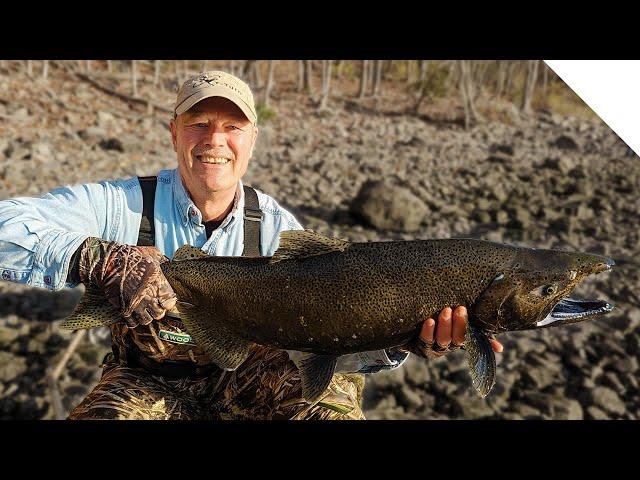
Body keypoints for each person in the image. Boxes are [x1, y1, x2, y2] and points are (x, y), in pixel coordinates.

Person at [0, 70, 503, 420]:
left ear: (252, 138)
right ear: (174, 133)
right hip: (144, 382)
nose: (214, 140)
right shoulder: (121, 205)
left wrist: (400, 339)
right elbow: (8, 224)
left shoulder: (282, 230)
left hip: (252, 382)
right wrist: (98, 258)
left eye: (231, 127)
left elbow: (325, 348)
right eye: (199, 124)